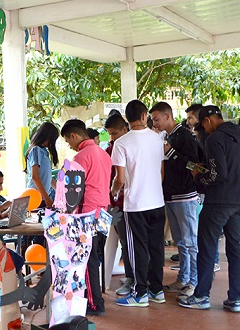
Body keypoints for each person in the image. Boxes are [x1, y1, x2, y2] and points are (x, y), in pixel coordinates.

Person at [179, 106, 240, 312]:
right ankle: (235, 298)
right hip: (239, 200)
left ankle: (201, 296)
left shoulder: (215, 139)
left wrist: (198, 178)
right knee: (235, 249)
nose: (203, 130)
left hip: (218, 201)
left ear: (208, 120)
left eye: (202, 125)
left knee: (208, 247)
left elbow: (218, 174)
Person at [110, 101, 166, 307]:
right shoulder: (157, 138)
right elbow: (161, 173)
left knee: (138, 248)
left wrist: (114, 190)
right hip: (157, 202)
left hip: (135, 205)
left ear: (128, 119)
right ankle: (157, 290)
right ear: (144, 116)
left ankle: (140, 293)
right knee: (156, 247)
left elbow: (120, 179)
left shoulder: (121, 143)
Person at [61, 119, 112, 315]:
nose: (69, 145)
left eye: (68, 141)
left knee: (87, 258)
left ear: (74, 136)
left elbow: (75, 192)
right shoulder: (102, 153)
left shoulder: (81, 157)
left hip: (86, 213)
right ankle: (94, 299)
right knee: (95, 256)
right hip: (103, 211)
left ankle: (94, 303)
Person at [150, 103, 200, 298]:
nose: (154, 123)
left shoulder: (184, 135)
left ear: (167, 116)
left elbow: (194, 165)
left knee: (190, 241)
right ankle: (183, 278)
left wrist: (170, 152)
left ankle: (194, 281)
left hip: (185, 195)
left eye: (156, 119)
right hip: (170, 195)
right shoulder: (168, 136)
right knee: (180, 241)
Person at [104, 112, 133, 296]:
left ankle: (132, 279)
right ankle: (132, 277)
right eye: (110, 134)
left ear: (125, 129)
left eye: (114, 133)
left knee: (128, 243)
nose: (112, 138)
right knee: (123, 241)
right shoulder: (110, 149)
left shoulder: (128, 146)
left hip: (128, 202)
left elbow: (118, 179)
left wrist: (112, 192)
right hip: (116, 203)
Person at [26, 122, 60, 209]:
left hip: (43, 197)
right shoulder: (36, 150)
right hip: (35, 197)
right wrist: (47, 198)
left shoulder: (44, 152)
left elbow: (48, 178)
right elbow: (35, 177)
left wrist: (61, 192)